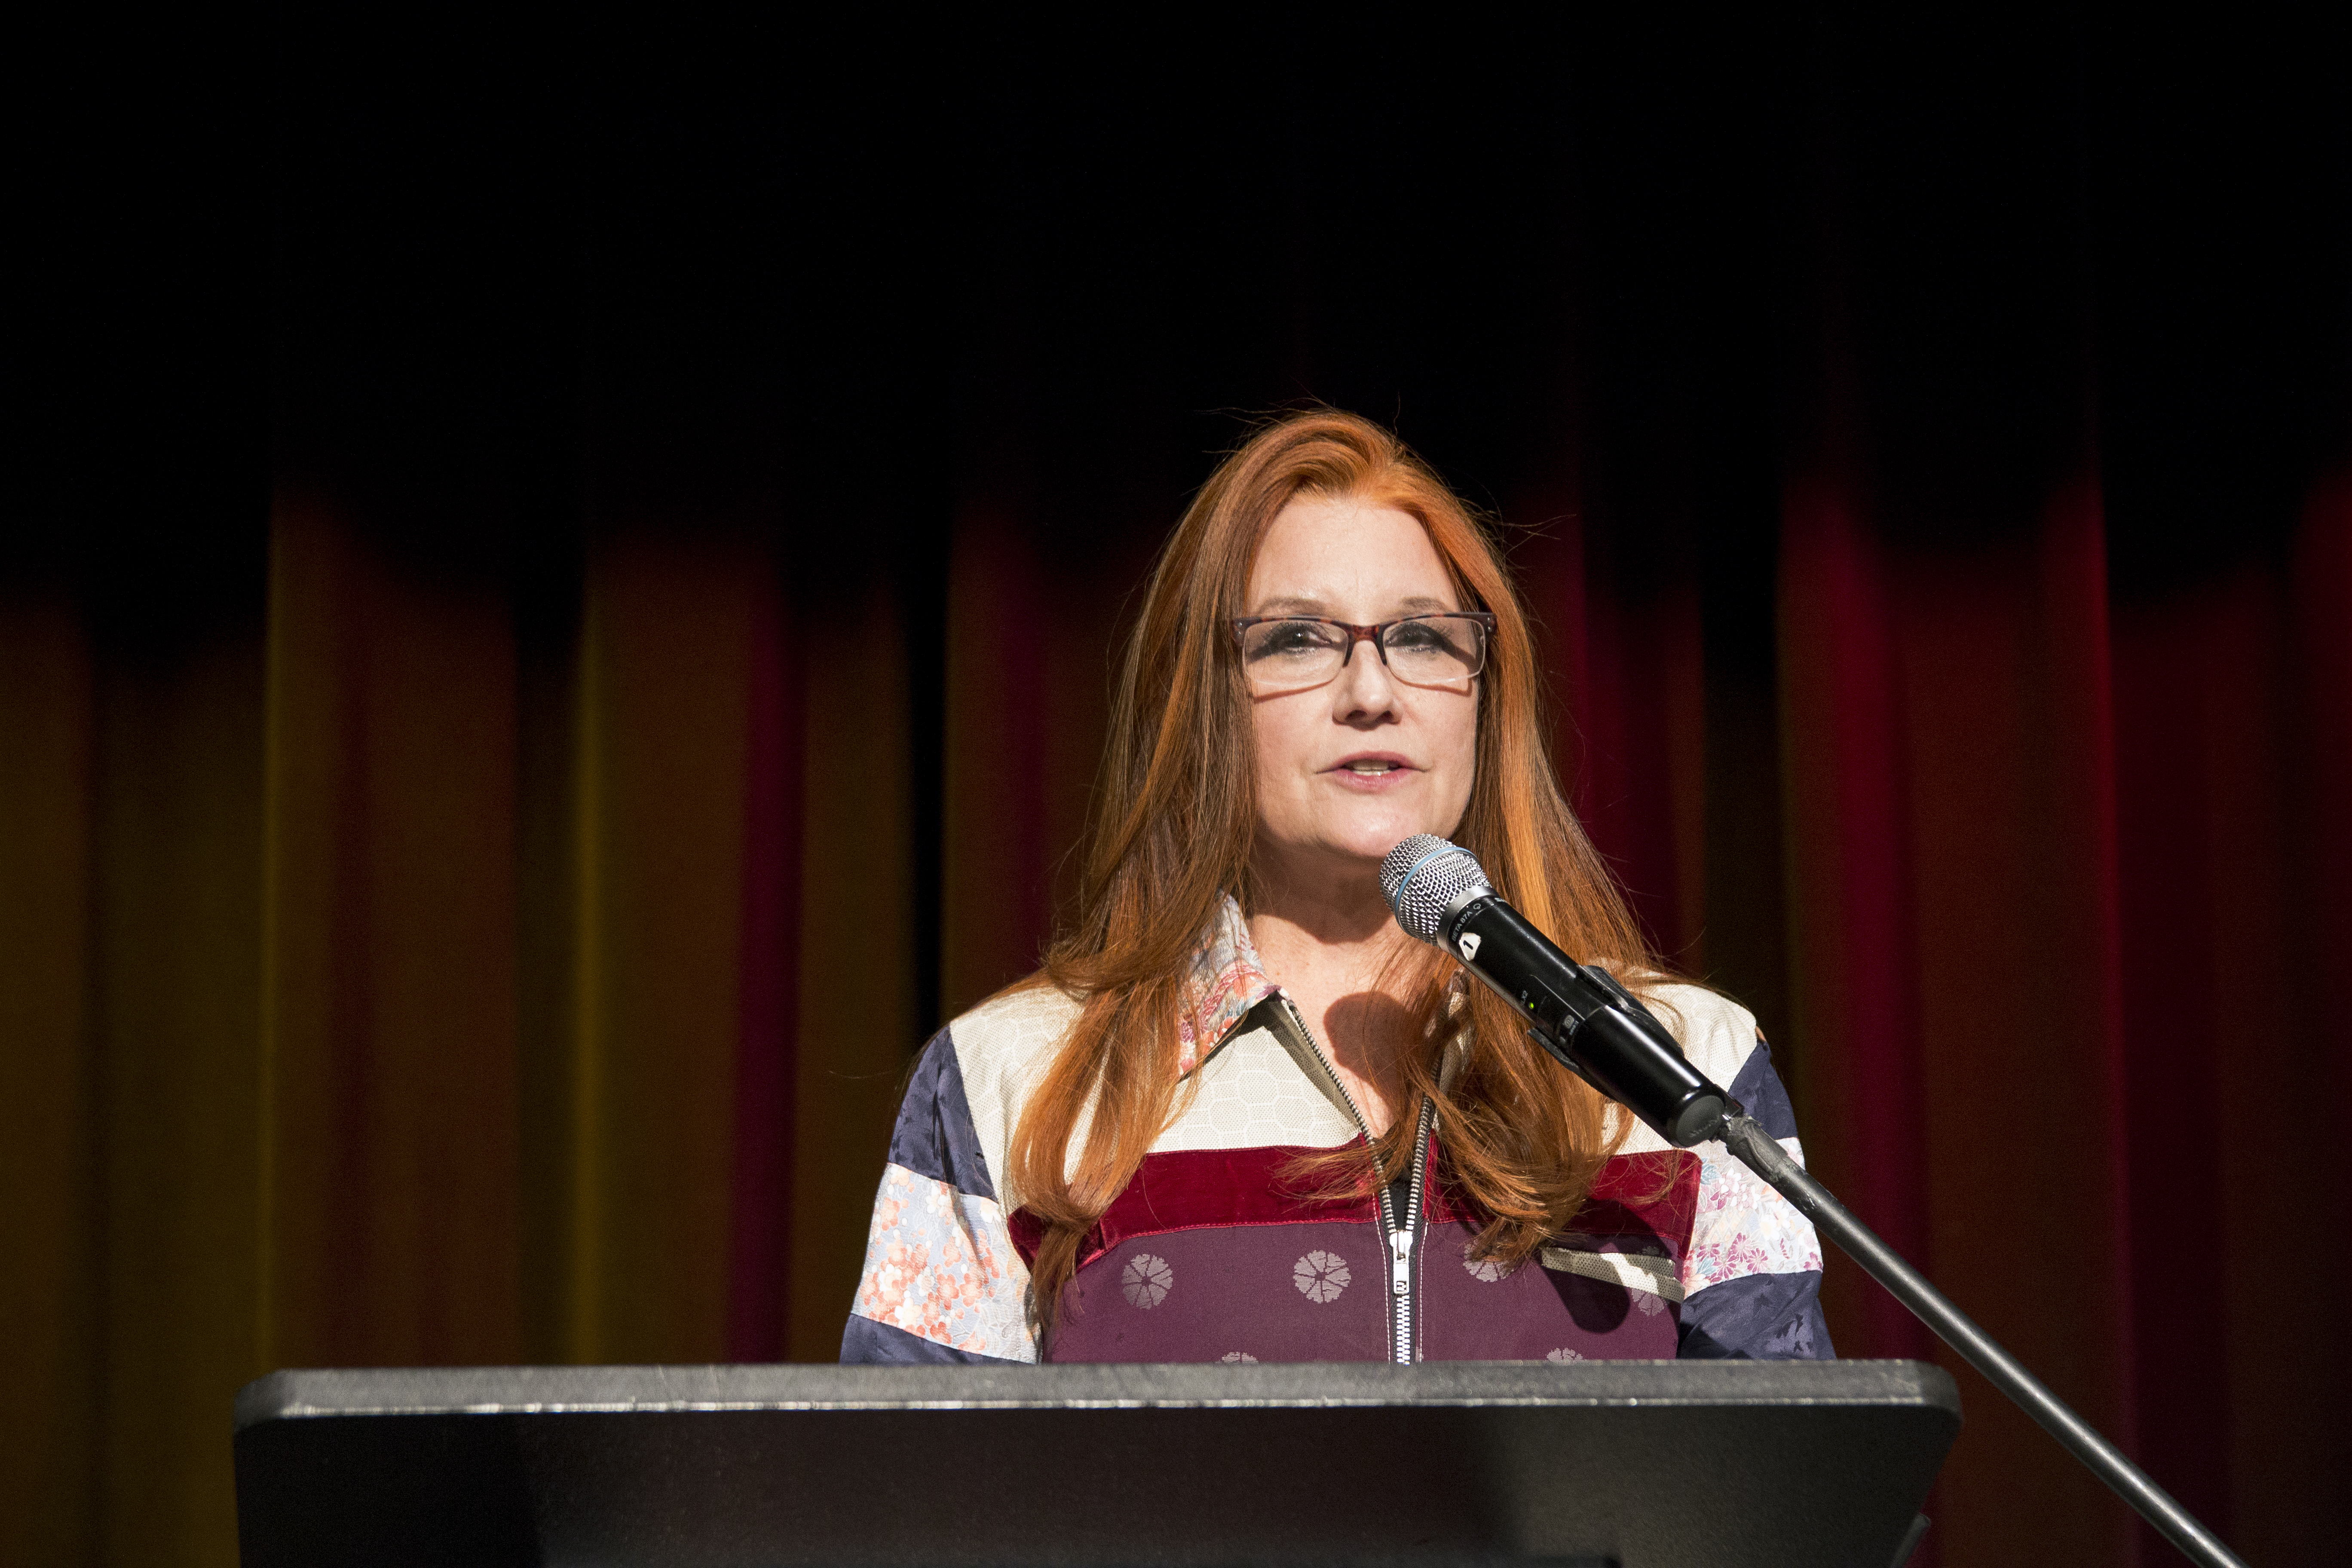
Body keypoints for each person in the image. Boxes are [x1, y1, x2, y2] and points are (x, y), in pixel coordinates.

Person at [842, 410, 1830, 1365]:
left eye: (1426, 639)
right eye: (1297, 641)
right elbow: (903, 1513)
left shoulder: (1683, 1067)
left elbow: (1790, 1506)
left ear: (1486, 696)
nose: (1372, 692)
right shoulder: (1011, 1078)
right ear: (1204, 702)